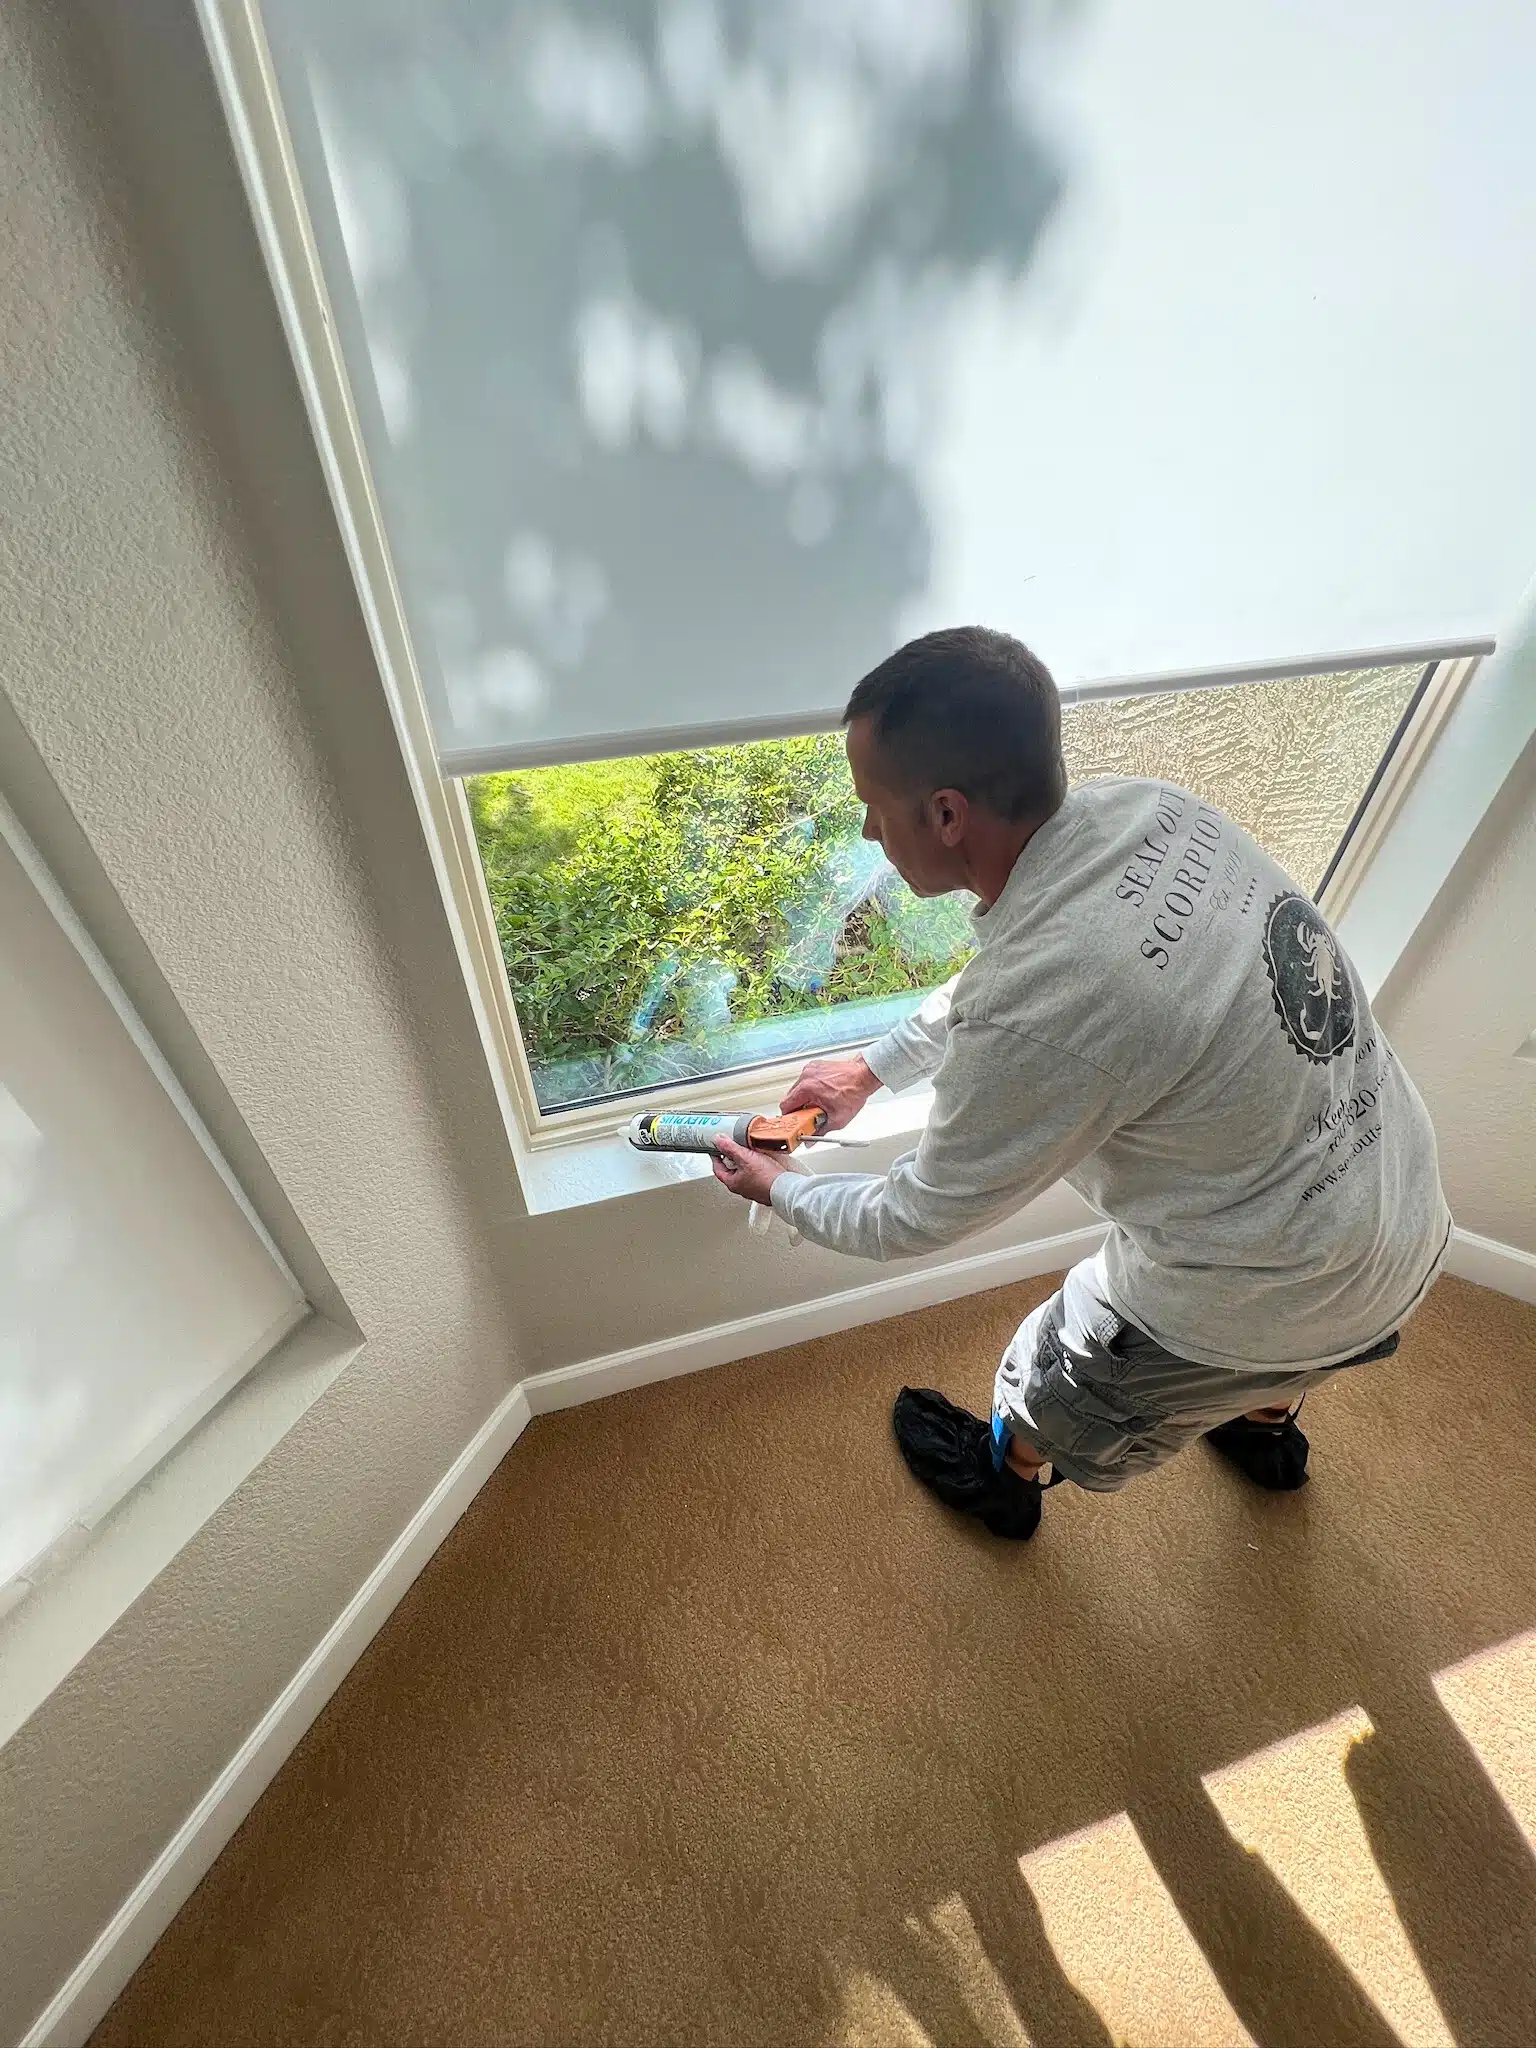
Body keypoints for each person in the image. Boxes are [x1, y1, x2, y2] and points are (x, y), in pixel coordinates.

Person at [711, 628, 1451, 1540]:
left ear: (946, 816)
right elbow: (1018, 979)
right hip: (1403, 1208)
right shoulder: (1148, 812)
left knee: (1059, 1367)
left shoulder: (1038, 1003)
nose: (866, 828)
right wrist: (873, 1068)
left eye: (872, 805)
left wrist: (779, 1187)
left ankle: (1006, 1477)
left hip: (1269, 1284)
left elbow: (914, 1216)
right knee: (1301, 1339)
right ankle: (1265, 1425)